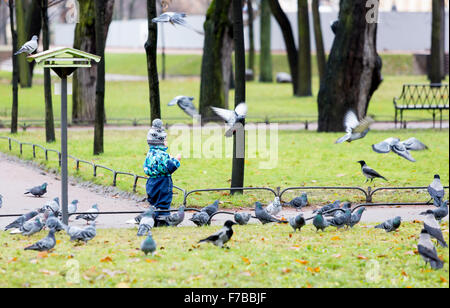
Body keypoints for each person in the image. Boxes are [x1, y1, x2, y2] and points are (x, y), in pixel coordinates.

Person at [143, 119, 181, 226]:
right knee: (163, 203)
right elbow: (170, 167)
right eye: (166, 139)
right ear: (161, 141)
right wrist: (177, 160)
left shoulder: (150, 154)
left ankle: (153, 219)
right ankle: (163, 221)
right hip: (163, 183)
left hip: (151, 182)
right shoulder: (163, 155)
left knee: (154, 203)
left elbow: (145, 167)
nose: (167, 142)